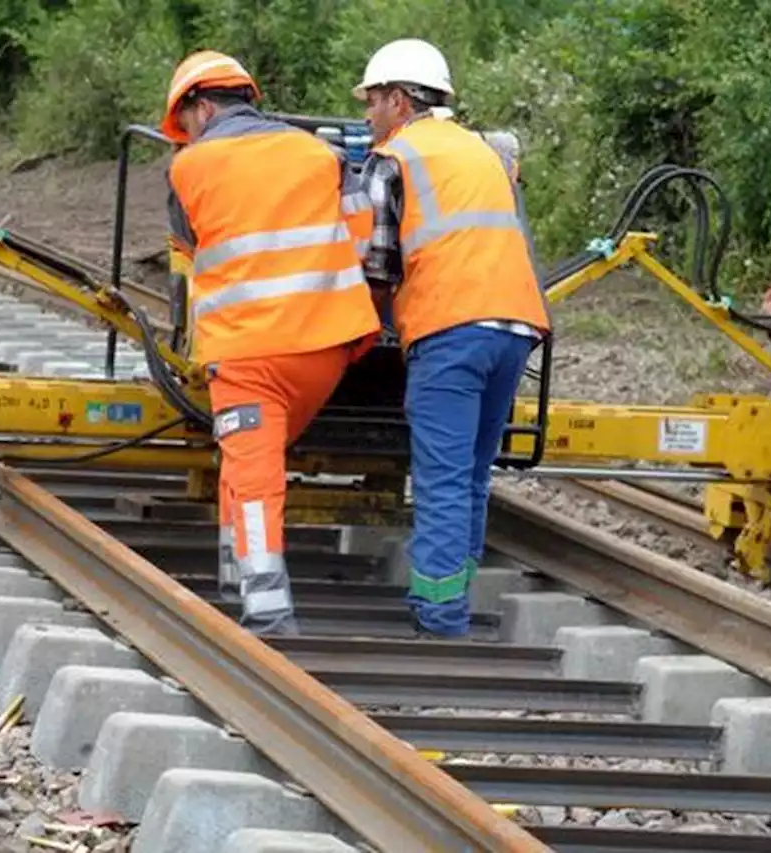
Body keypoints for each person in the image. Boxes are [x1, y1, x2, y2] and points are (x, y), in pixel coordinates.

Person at [162, 50, 382, 636]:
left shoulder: (187, 168)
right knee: (248, 457)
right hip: (327, 345)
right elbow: (361, 236)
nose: (183, 136)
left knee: (255, 469)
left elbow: (187, 246)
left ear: (201, 107)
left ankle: (266, 606)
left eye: (183, 124)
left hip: (247, 352)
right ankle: (237, 576)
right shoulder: (322, 154)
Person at [351, 39, 551, 638]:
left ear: (399, 99)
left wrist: (356, 331)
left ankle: (440, 616)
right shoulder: (485, 151)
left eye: (371, 102)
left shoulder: (394, 158)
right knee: (470, 473)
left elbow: (380, 265)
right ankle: (450, 595)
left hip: (451, 329)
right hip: (515, 325)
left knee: (439, 477)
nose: (366, 116)